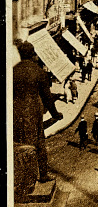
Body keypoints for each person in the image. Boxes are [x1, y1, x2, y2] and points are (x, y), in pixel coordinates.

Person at [13, 41, 64, 183]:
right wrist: (55, 114)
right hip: (33, 112)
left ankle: (22, 177)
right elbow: (47, 98)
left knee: (19, 145)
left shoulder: (13, 71)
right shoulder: (38, 71)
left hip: (16, 113)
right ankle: (43, 175)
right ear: (33, 54)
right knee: (39, 144)